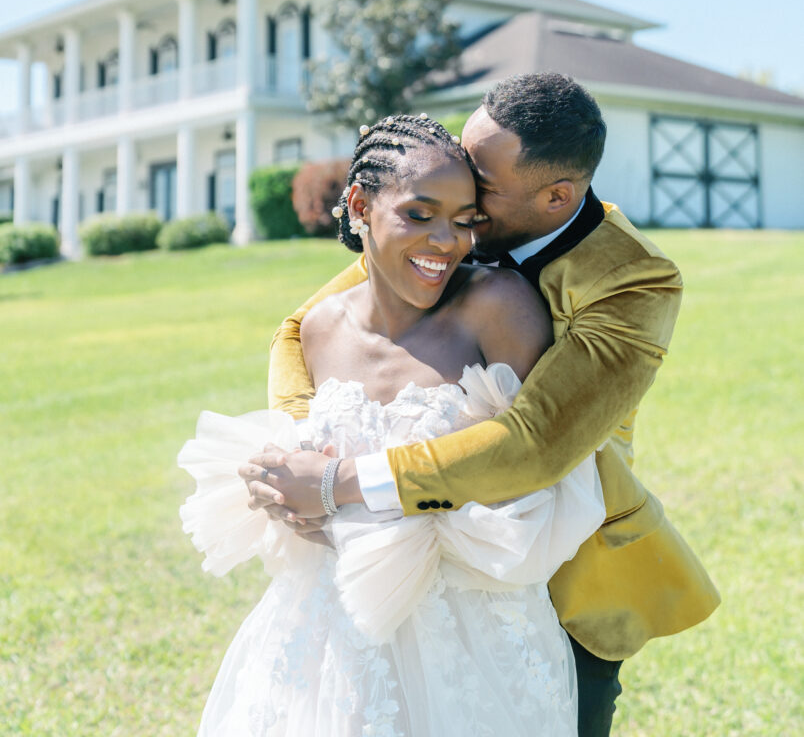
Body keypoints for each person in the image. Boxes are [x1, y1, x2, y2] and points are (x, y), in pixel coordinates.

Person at [251, 75, 720, 737]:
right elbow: (304, 328)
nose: (463, 191)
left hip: (561, 564)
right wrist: (303, 444)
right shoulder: (448, 228)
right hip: (406, 571)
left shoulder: (633, 280)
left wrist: (337, 485)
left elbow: (535, 445)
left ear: (557, 195)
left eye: (484, 185)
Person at [179, 113, 608, 736]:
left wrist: (337, 495)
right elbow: (298, 463)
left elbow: (532, 481)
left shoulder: (499, 310)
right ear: (359, 204)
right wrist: (272, 485)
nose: (446, 242)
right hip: (330, 639)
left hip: (474, 642)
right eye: (419, 214)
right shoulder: (317, 328)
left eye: (465, 222)